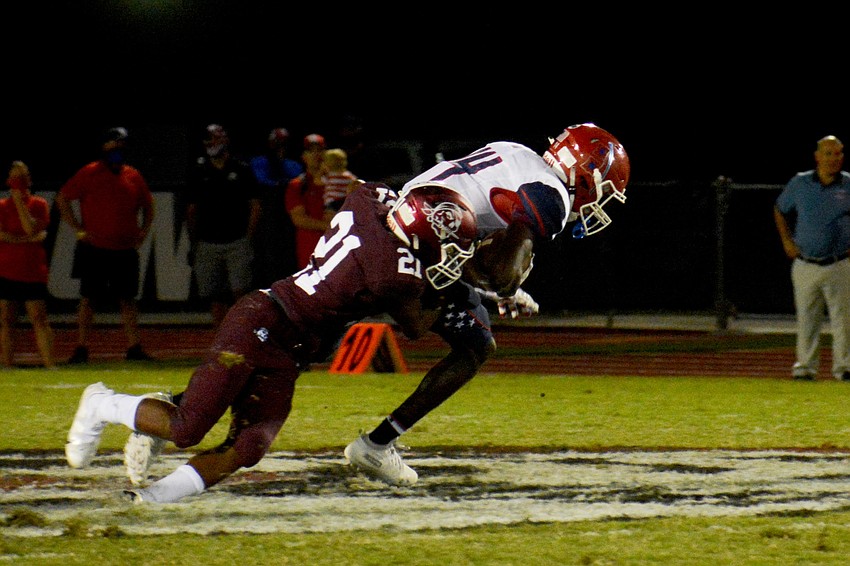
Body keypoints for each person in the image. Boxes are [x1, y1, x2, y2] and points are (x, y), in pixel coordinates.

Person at [64, 180, 479, 502]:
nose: (450, 252)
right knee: (187, 426)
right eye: (447, 244)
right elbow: (417, 326)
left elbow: (377, 211)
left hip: (290, 342)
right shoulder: (396, 276)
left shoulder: (370, 198)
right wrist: (462, 289)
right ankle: (101, 402)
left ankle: (150, 500)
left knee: (249, 445)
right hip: (264, 322)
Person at [341, 123, 631, 484]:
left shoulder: (515, 152)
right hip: (416, 246)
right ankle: (377, 444)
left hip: (398, 220)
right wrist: (509, 284)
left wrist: (496, 293)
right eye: (605, 191)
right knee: (475, 345)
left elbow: (468, 236)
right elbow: (499, 272)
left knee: (330, 313)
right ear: (587, 175)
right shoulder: (552, 196)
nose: (598, 204)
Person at [56, 127, 155, 364]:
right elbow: (62, 198)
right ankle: (81, 347)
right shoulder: (89, 173)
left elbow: (148, 206)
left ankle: (134, 346)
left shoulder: (133, 175)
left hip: (124, 249)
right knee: (89, 298)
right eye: (113, 144)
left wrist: (142, 231)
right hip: (95, 248)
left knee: (127, 299)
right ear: (104, 147)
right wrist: (78, 228)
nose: (117, 150)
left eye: (121, 145)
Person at [774, 134, 850, 381]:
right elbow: (780, 209)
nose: (833, 159)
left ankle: (844, 367)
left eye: (837, 154)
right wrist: (786, 240)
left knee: (844, 319)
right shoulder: (800, 183)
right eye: (828, 153)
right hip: (806, 263)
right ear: (817, 157)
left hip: (839, 261)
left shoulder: (849, 184)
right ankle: (805, 367)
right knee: (807, 318)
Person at [186, 124, 262, 328]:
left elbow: (255, 205)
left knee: (240, 291)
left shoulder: (241, 169)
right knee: (214, 295)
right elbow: (191, 210)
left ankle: (241, 333)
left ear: (225, 141)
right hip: (208, 241)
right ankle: (220, 338)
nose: (212, 144)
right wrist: (194, 241)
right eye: (208, 140)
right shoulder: (199, 171)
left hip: (236, 239)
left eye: (216, 139)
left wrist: (247, 237)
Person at [0, 161, 55, 369]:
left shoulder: (39, 204)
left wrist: (21, 205)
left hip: (33, 272)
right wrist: (25, 239)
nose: (19, 184)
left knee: (39, 318)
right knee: (7, 319)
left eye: (22, 179)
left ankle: (50, 364)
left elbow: (31, 229)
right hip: (6, 270)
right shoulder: (2, 207)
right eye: (15, 179)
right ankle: (7, 365)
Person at [250, 127, 304, 288]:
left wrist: (282, 183)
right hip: (267, 215)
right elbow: (262, 182)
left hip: (288, 216)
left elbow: (298, 182)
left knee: (288, 255)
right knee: (268, 256)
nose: (279, 146)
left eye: (282, 143)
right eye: (276, 142)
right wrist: (281, 183)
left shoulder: (293, 164)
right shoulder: (259, 162)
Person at [285, 134, 333, 268]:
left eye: (320, 150)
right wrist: (330, 226)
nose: (316, 154)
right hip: (311, 253)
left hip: (338, 250)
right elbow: (299, 219)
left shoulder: (339, 181)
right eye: (311, 151)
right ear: (303, 156)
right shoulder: (297, 185)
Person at [322, 147, 359, 212]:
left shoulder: (347, 176)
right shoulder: (328, 175)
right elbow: (322, 182)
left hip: (341, 202)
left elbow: (355, 186)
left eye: (329, 160)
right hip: (329, 203)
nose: (325, 162)